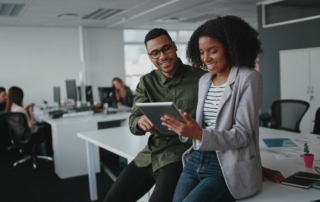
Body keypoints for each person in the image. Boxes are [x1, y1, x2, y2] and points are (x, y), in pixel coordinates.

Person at [104, 28, 284, 202]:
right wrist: (139, 121)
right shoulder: (147, 82)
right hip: (151, 153)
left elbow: (230, 124)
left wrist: (250, 165)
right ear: (150, 57)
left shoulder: (203, 77)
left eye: (166, 48)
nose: (162, 56)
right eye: (155, 53)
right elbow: (133, 120)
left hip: (180, 155)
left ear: (174, 46)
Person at [161, 16, 284, 202]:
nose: (206, 58)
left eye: (213, 51)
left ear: (231, 48)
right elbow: (203, 126)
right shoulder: (204, 81)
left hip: (226, 164)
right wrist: (184, 128)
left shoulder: (249, 78)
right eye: (201, 52)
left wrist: (200, 134)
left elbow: (242, 135)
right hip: (197, 157)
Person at [5, 86, 53, 156]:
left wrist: (26, 110)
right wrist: (30, 112)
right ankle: (49, 154)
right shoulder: (20, 109)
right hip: (29, 135)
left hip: (19, 135)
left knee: (42, 124)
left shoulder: (10, 108)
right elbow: (30, 125)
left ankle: (41, 151)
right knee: (48, 126)